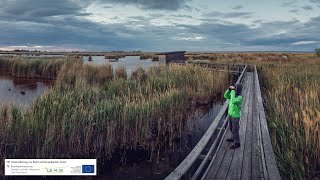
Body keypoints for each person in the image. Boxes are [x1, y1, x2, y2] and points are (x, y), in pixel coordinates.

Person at [224, 83, 243, 149]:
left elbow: (233, 101)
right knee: (231, 128)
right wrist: (229, 90)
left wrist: (232, 91)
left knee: (235, 129)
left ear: (238, 89)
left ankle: (237, 143)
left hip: (235, 116)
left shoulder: (240, 97)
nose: (234, 88)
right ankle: (233, 138)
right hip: (230, 114)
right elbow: (225, 96)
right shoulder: (233, 95)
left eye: (235, 87)